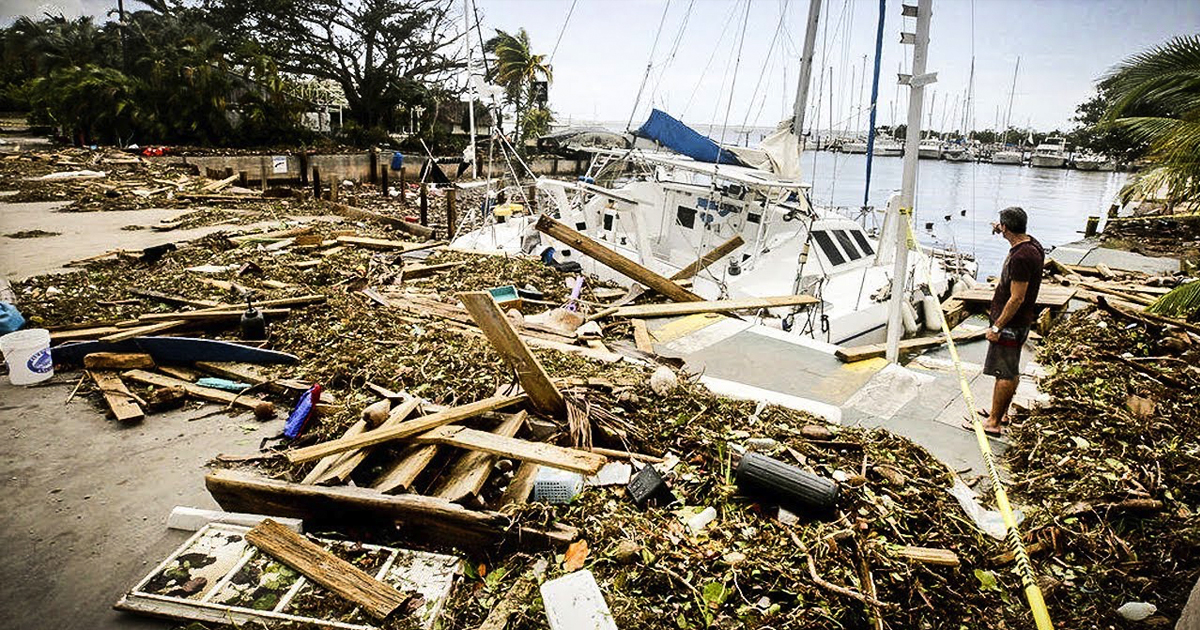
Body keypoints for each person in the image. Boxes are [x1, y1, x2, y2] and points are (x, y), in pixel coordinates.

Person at [970, 206, 1044, 437]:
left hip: (1010, 325)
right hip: (1021, 322)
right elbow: (1012, 233)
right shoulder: (1033, 245)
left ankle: (993, 423)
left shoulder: (1021, 257)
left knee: (1004, 373)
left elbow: (1017, 297)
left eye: (1000, 226)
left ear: (1006, 227)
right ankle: (1000, 413)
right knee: (1011, 370)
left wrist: (997, 326)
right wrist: (1000, 228)